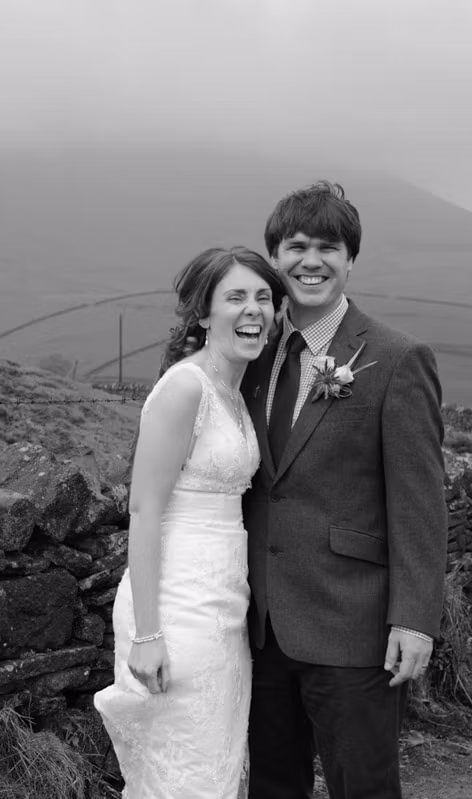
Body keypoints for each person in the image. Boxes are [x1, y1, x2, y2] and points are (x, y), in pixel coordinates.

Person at [239, 180, 448, 799]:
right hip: (260, 624)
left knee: (365, 787)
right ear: (274, 257)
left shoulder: (396, 357)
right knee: (274, 787)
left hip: (354, 625)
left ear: (350, 259)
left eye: (328, 247)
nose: (311, 261)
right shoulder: (254, 354)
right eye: (296, 246)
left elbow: (419, 501)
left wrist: (415, 621)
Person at [94, 246, 284, 798]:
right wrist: (149, 635)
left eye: (264, 297)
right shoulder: (185, 388)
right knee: (184, 774)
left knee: (218, 766)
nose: (253, 310)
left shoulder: (234, 392)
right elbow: (144, 510)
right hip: (176, 611)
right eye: (236, 297)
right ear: (203, 314)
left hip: (226, 606)